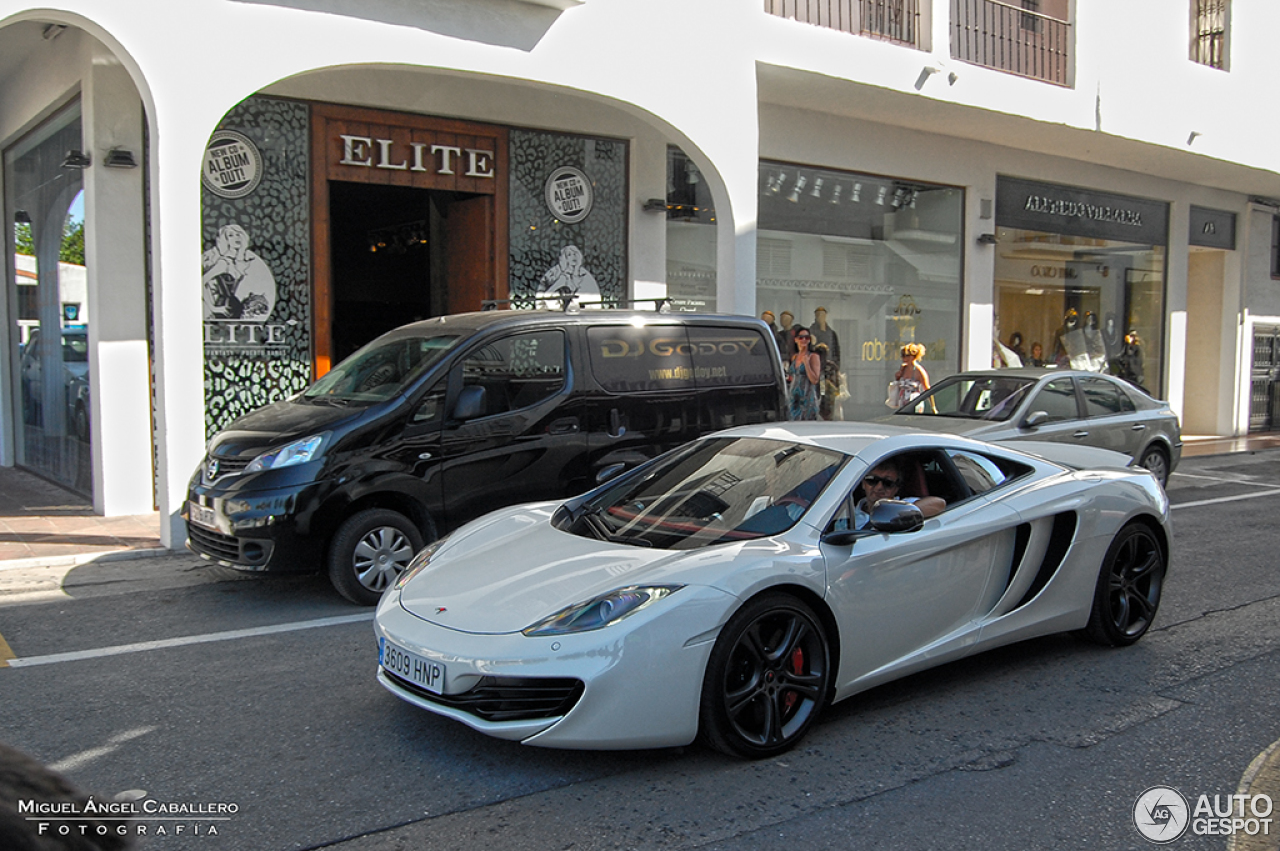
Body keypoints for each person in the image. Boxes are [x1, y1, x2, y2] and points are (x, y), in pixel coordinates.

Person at [848, 458, 946, 530]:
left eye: (888, 483)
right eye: (872, 480)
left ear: (896, 489)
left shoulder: (902, 504)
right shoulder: (847, 509)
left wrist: (898, 514)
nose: (879, 487)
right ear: (863, 484)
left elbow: (939, 503)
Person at [786, 325, 821, 421]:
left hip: (807, 399)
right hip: (794, 398)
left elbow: (815, 380)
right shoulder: (794, 357)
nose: (804, 340)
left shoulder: (813, 356)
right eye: (801, 337)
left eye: (807, 337)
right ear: (796, 340)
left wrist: (806, 364)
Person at [891, 342, 931, 407]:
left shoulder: (919, 371)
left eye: (905, 355)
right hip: (902, 403)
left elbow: (927, 389)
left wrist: (933, 406)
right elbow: (898, 383)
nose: (903, 358)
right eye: (902, 355)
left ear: (913, 356)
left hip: (914, 403)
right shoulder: (903, 368)